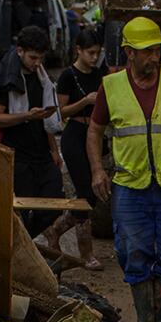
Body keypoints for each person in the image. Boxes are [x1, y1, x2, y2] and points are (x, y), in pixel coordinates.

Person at [87, 15, 161, 322]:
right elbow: (95, 130)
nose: (154, 56)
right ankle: (144, 320)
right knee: (132, 250)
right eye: (147, 51)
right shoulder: (110, 87)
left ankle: (159, 314)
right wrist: (98, 169)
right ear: (129, 51)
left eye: (157, 50)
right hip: (130, 186)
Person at [0, 25, 64, 239]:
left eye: (40, 58)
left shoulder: (42, 79)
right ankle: (20, 246)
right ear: (20, 51)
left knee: (53, 204)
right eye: (33, 58)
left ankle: (24, 242)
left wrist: (54, 151)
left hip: (42, 154)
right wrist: (26, 116)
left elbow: (45, 119)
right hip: (18, 156)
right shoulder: (5, 79)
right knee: (20, 207)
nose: (37, 63)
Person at [53, 27, 108, 268]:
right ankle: (86, 253)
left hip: (95, 134)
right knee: (85, 190)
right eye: (90, 53)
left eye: (97, 53)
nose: (94, 58)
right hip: (75, 134)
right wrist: (85, 101)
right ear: (78, 50)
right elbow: (60, 112)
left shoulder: (100, 73)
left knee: (94, 192)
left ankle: (57, 229)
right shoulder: (68, 76)